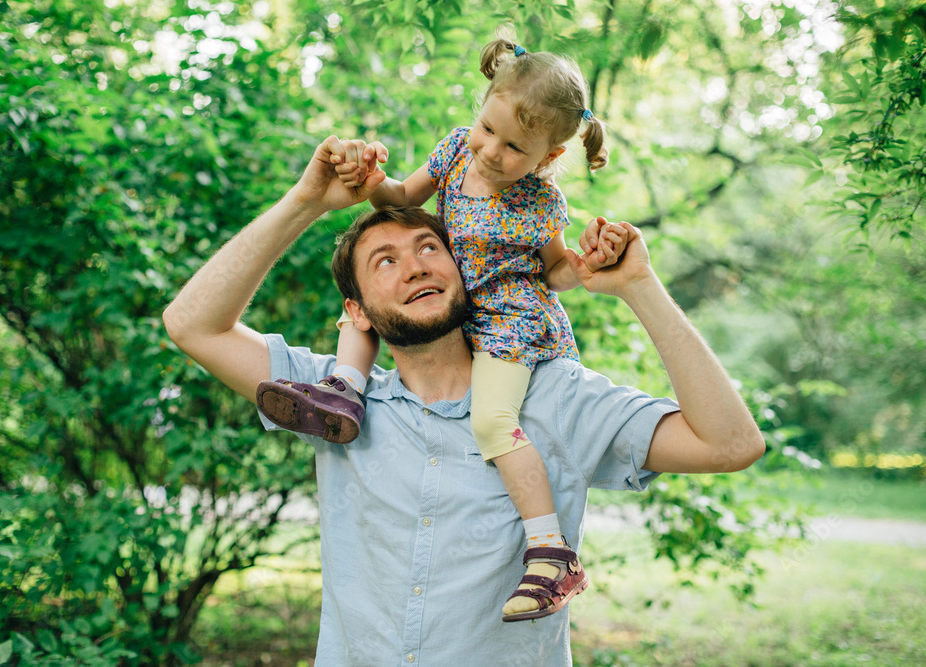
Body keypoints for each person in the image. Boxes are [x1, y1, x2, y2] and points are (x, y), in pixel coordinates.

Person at [162, 132, 765, 665]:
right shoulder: (332, 402)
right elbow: (192, 324)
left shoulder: (553, 395)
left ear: (465, 269)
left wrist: (640, 287)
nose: (416, 267)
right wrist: (306, 202)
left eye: (430, 248)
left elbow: (731, 443)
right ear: (358, 312)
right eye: (385, 261)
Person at [254, 39, 629, 621]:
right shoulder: (457, 149)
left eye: (514, 147)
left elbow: (553, 272)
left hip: (508, 322)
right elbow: (401, 198)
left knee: (493, 422)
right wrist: (370, 179)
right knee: (365, 309)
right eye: (487, 128)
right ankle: (344, 390)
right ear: (479, 110)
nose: (492, 151)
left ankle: (552, 552)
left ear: (549, 155)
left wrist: (583, 266)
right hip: (453, 303)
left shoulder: (540, 200)